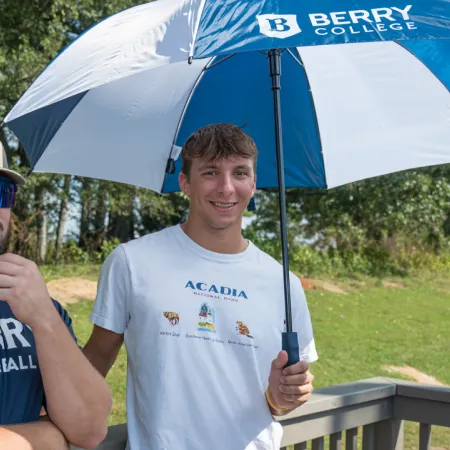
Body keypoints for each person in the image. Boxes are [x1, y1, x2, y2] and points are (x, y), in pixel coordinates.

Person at [83, 123, 318, 450]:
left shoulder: (284, 284)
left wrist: (284, 397)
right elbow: (92, 366)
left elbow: (278, 402)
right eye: (210, 173)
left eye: (239, 173)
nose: (226, 188)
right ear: (185, 183)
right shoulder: (132, 262)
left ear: (253, 183)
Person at [0, 143, 112, 449]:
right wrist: (46, 437)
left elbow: (90, 428)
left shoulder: (32, 306)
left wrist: (44, 319)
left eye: (1, 192)